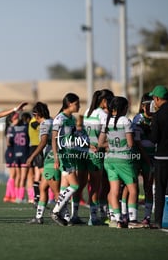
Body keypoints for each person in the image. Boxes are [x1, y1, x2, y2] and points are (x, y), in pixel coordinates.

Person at [98, 96, 144, 228]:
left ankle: (118, 220)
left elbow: (100, 143)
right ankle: (133, 220)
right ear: (123, 108)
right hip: (123, 159)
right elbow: (130, 143)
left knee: (114, 191)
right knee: (133, 189)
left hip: (109, 160)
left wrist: (112, 145)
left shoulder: (107, 121)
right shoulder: (125, 121)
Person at [77, 89, 114, 226]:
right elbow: (107, 135)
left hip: (84, 151)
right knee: (96, 186)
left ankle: (75, 214)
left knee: (82, 185)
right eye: (110, 100)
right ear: (104, 101)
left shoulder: (87, 112)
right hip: (97, 153)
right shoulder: (103, 115)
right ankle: (94, 217)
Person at [149, 85, 168, 229]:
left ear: (157, 98)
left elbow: (154, 139)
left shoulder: (158, 115)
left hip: (162, 158)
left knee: (160, 190)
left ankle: (158, 222)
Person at [27, 102, 61, 224]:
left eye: (34, 114)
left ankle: (65, 216)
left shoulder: (45, 124)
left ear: (37, 114)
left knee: (56, 191)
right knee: (43, 187)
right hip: (52, 158)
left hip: (51, 159)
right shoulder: (52, 121)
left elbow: (42, 142)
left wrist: (32, 156)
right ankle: (39, 216)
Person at [50, 93, 80, 226]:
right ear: (69, 104)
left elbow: (73, 138)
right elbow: (54, 140)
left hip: (71, 155)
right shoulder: (59, 118)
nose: (78, 106)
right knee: (75, 185)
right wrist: (56, 158)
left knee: (64, 188)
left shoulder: (72, 119)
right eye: (76, 104)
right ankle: (56, 212)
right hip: (64, 157)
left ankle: (65, 217)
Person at [131, 93, 154, 226]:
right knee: (132, 186)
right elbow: (138, 142)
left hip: (151, 156)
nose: (150, 108)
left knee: (148, 187)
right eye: (147, 105)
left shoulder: (157, 118)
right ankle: (128, 216)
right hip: (138, 156)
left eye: (152, 105)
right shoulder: (138, 119)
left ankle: (147, 217)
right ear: (142, 106)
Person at [11, 112, 30, 203]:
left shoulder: (13, 129)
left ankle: (16, 196)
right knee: (23, 177)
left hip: (16, 154)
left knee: (18, 177)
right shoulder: (26, 128)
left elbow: (9, 142)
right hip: (24, 154)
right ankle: (21, 197)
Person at [27, 109, 44, 207]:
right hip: (37, 149)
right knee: (42, 174)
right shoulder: (34, 122)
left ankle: (37, 198)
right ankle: (38, 198)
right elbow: (40, 128)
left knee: (37, 175)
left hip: (36, 148)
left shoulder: (35, 121)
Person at [3, 113, 16, 203]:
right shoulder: (11, 129)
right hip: (11, 153)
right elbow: (8, 142)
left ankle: (9, 195)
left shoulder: (12, 128)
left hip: (12, 153)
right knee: (12, 175)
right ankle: (9, 195)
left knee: (13, 175)